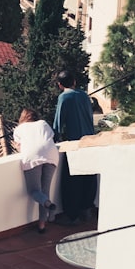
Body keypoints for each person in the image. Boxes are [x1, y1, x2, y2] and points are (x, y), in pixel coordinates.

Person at [52, 70, 97, 225]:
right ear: (74, 81)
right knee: (88, 178)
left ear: (59, 84)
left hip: (75, 143)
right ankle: (87, 209)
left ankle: (73, 216)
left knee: (72, 182)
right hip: (90, 141)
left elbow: (58, 124)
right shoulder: (84, 95)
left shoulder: (64, 97)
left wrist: (54, 140)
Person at [13, 108, 59, 233]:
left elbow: (20, 147)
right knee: (45, 190)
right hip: (51, 155)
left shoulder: (19, 129)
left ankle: (47, 206)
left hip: (32, 157)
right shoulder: (43, 123)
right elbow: (51, 138)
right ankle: (43, 223)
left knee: (34, 191)